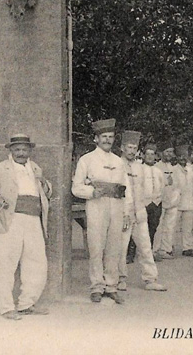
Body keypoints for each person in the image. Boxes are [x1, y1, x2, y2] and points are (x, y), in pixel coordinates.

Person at [0, 134, 52, 320]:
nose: (21, 153)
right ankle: (6, 307)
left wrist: (43, 181)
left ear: (29, 151)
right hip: (10, 219)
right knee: (6, 263)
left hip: (33, 219)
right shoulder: (1, 168)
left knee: (36, 263)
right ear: (11, 150)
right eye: (17, 149)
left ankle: (26, 304)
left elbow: (47, 192)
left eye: (24, 149)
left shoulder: (35, 168)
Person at [72, 119, 133, 305]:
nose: (107, 140)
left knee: (114, 247)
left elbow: (126, 188)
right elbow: (76, 187)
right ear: (96, 139)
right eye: (104, 137)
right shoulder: (87, 160)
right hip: (96, 205)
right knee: (96, 246)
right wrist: (91, 192)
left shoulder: (118, 162)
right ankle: (97, 286)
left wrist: (127, 212)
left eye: (110, 137)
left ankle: (111, 286)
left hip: (116, 205)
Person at [117, 131, 167, 292]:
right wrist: (124, 212)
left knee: (146, 247)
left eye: (134, 148)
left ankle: (150, 279)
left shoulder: (140, 167)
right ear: (122, 148)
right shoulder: (117, 164)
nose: (132, 151)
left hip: (140, 213)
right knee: (121, 249)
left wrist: (143, 209)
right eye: (129, 147)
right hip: (123, 214)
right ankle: (119, 279)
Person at [153, 141, 181, 259]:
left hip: (173, 202)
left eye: (171, 152)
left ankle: (166, 249)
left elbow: (177, 184)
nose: (169, 154)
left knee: (170, 227)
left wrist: (176, 198)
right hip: (160, 201)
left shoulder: (174, 168)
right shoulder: (156, 167)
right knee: (158, 227)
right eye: (167, 152)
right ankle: (155, 250)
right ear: (161, 153)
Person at [176, 144, 193, 257]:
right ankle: (168, 248)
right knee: (172, 226)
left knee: (188, 227)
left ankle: (187, 248)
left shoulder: (191, 169)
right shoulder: (174, 169)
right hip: (176, 202)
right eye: (180, 156)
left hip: (189, 201)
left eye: (184, 156)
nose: (182, 158)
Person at [143, 144, 163, 250]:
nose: (150, 157)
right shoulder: (140, 169)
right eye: (148, 154)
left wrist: (156, 201)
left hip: (156, 204)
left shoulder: (158, 171)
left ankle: (149, 251)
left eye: (152, 154)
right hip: (143, 204)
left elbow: (162, 187)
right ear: (143, 156)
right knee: (141, 229)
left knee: (153, 228)